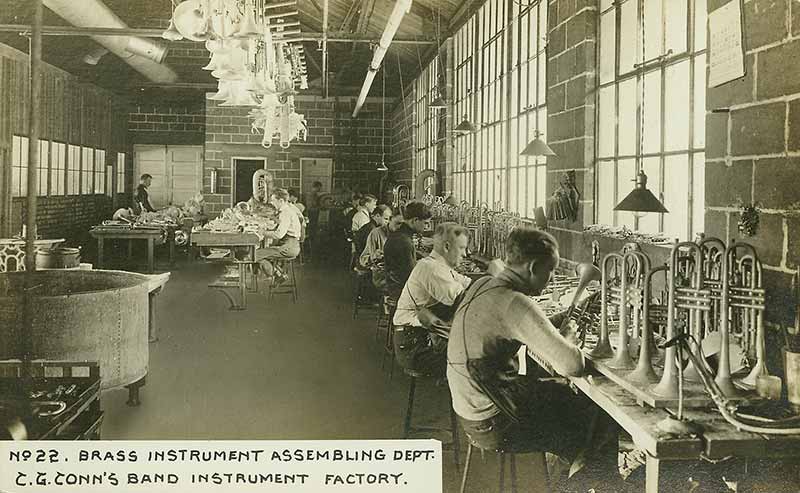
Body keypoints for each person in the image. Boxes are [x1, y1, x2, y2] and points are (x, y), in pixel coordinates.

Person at [446, 227, 618, 488]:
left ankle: (577, 471)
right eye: (550, 270)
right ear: (534, 267)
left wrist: (559, 322)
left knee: (570, 407)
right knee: (600, 415)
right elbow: (573, 365)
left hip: (470, 411)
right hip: (496, 423)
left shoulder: (483, 284)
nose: (551, 278)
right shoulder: (515, 303)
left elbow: (514, 326)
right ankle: (581, 483)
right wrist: (567, 340)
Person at [392, 222, 472, 376]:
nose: (466, 254)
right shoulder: (432, 268)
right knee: (478, 363)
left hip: (420, 337)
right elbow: (464, 299)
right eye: (462, 248)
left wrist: (492, 280)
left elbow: (469, 284)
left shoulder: (440, 267)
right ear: (447, 247)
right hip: (414, 347)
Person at [382, 201, 431, 296]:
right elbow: (410, 275)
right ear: (415, 220)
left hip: (397, 286)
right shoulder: (404, 241)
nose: (427, 227)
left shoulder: (400, 235)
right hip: (401, 291)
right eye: (425, 223)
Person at [257, 188, 302, 284]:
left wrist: (263, 232)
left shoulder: (286, 213)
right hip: (290, 245)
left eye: (273, 200)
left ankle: (277, 275)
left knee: (255, 255)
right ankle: (278, 274)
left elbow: (279, 234)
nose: (272, 203)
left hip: (289, 247)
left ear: (281, 201)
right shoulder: (287, 210)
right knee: (262, 253)